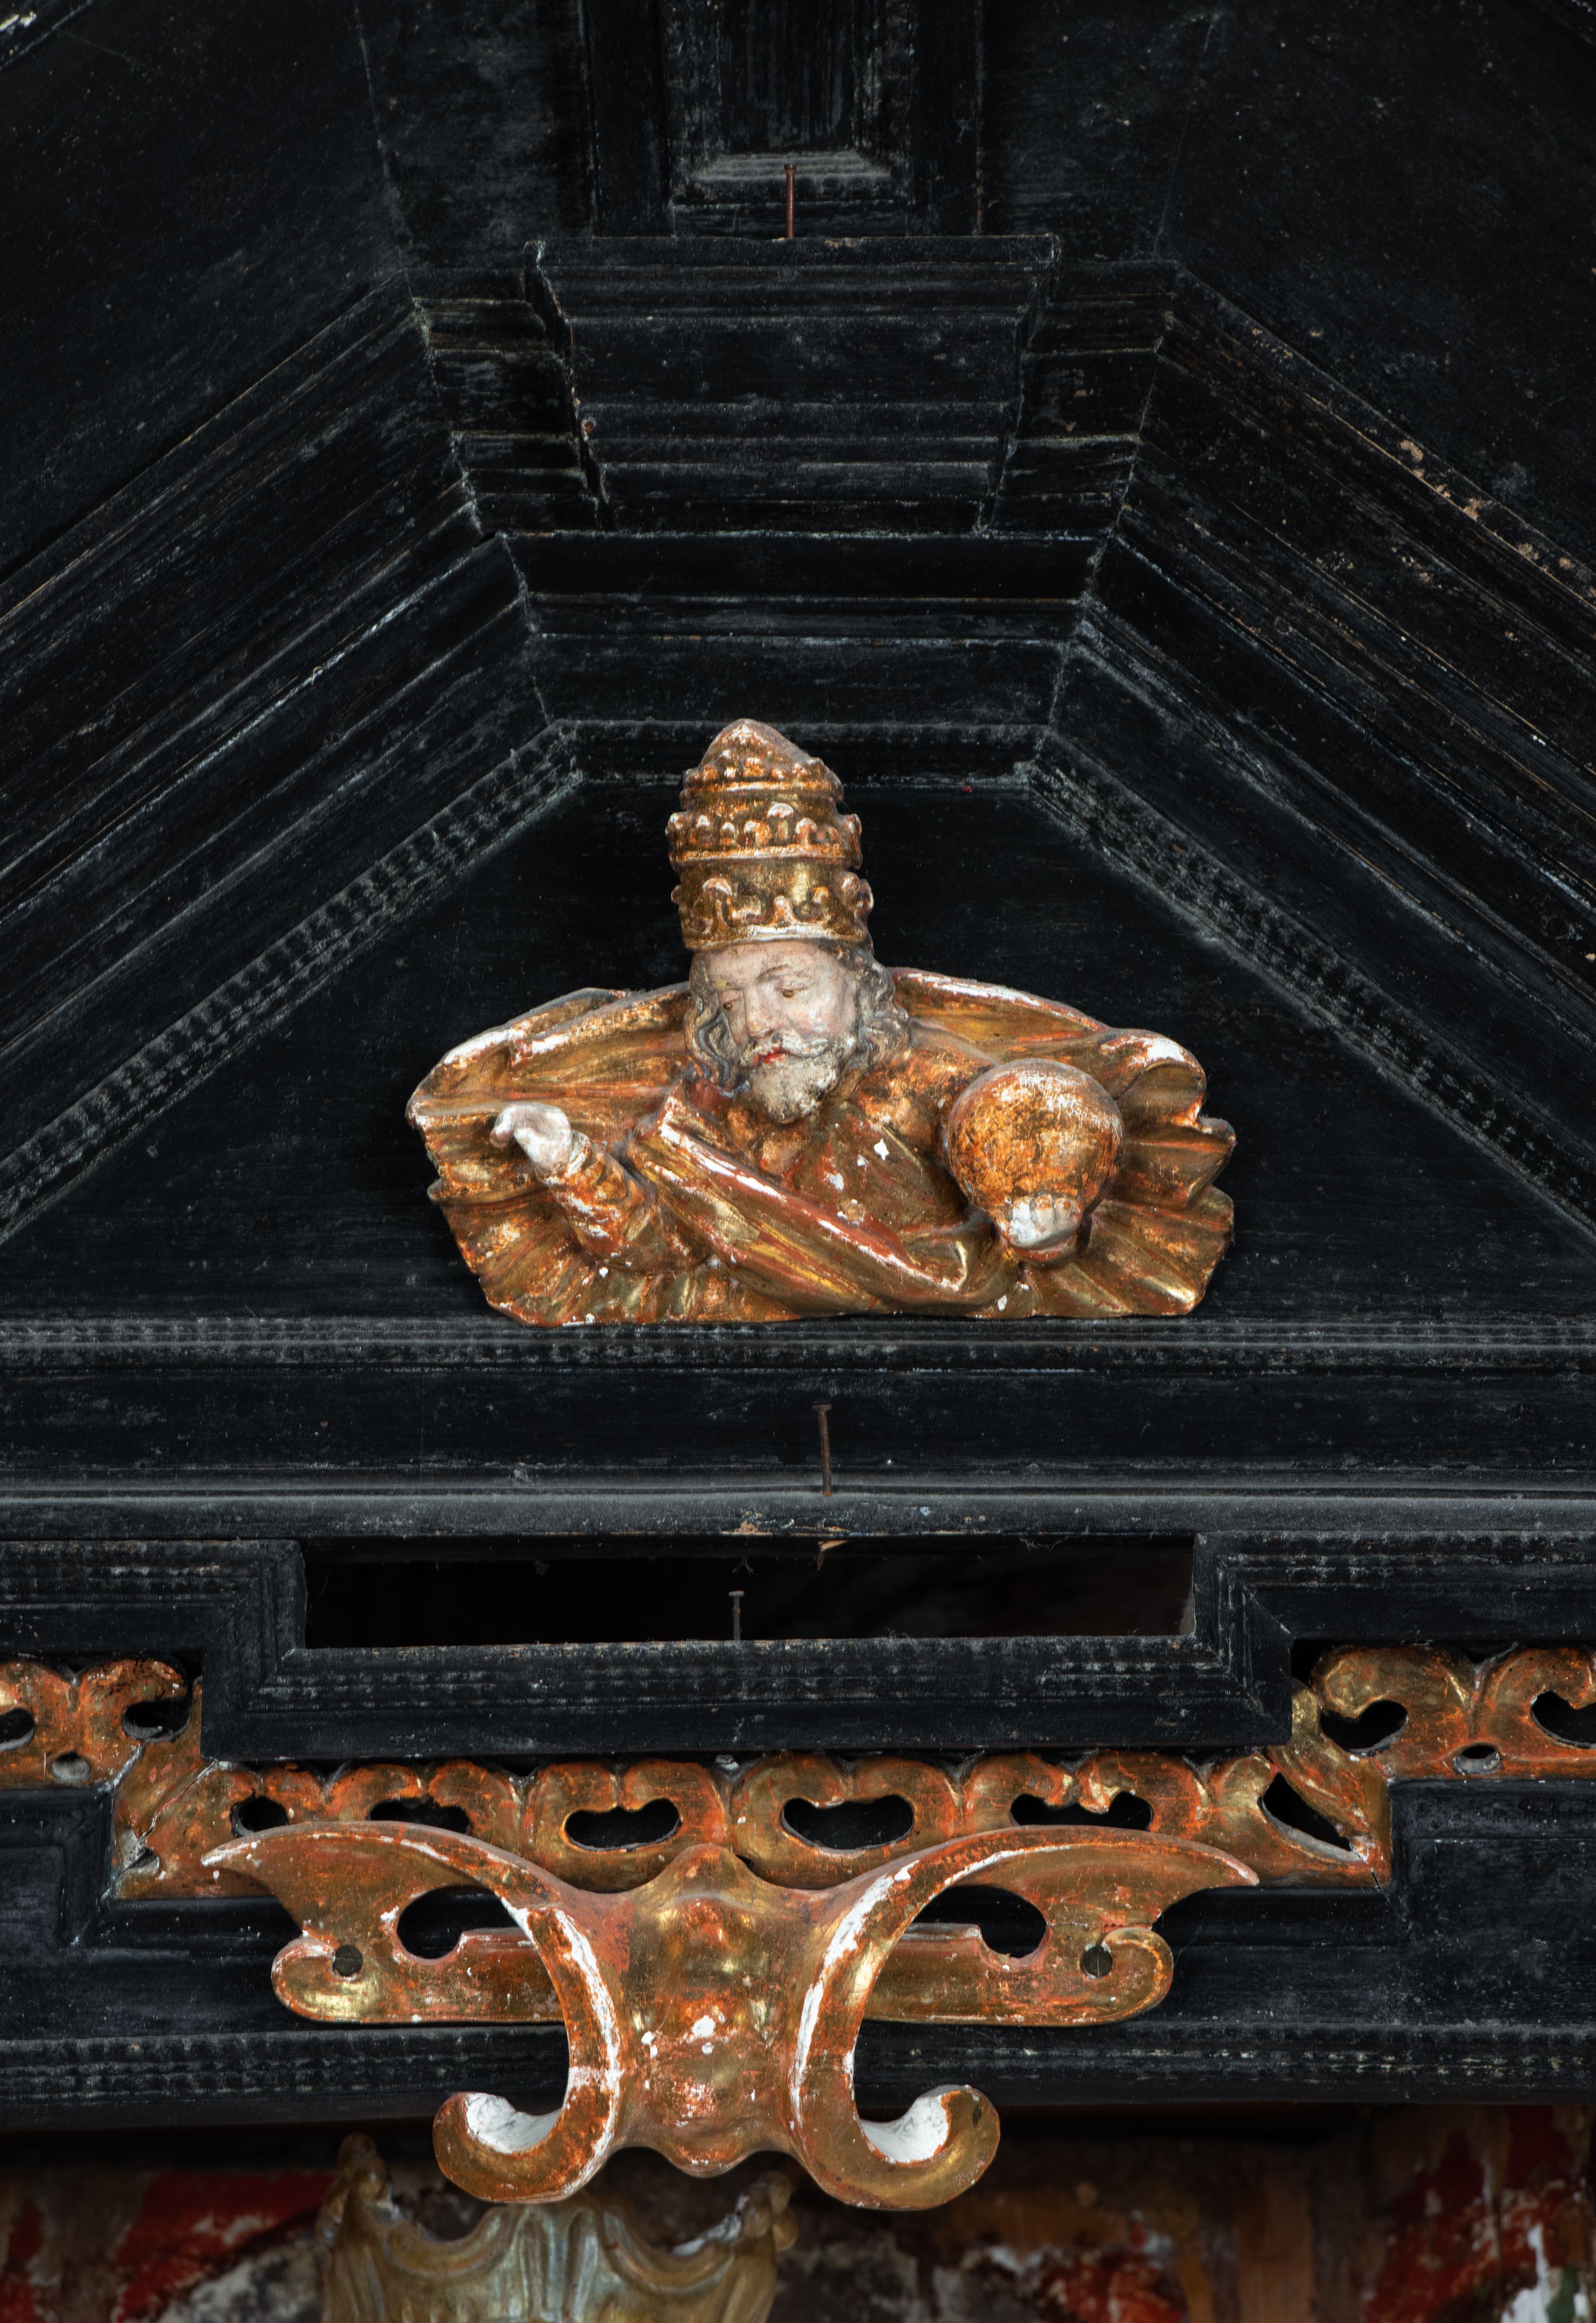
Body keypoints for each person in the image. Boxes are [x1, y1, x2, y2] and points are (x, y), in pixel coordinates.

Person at [408, 721, 1233, 1326]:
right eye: (731, 1003)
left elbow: (1028, 1170)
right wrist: (568, 1158)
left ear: (858, 982)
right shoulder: (711, 1112)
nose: (758, 1023)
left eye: (788, 986)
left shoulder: (938, 1083)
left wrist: (1048, 1230)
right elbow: (653, 1248)